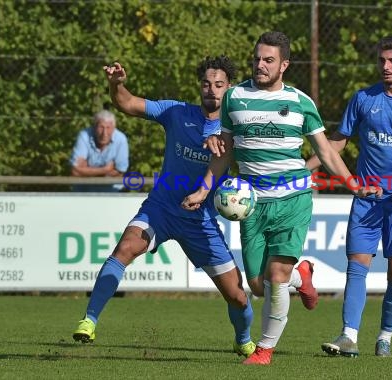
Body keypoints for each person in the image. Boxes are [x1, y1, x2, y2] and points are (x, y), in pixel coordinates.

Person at [182, 31, 376, 365]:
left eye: (268, 60)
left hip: (293, 199)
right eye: (257, 58)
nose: (260, 65)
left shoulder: (300, 102)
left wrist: (352, 183)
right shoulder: (234, 97)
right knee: (258, 286)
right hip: (251, 204)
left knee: (275, 278)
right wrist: (203, 189)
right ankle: (303, 275)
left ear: (284, 64)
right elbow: (224, 153)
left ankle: (264, 350)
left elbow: (326, 152)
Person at [72, 55, 257, 359]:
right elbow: (127, 102)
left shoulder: (234, 130)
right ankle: (89, 320)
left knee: (237, 296)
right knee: (125, 249)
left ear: (230, 88)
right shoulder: (176, 112)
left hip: (201, 221)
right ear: (200, 86)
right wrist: (116, 83)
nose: (211, 89)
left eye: (219, 85)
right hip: (161, 208)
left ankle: (243, 338)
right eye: (207, 84)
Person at [308, 35, 392, 358]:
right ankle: (348, 336)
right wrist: (303, 168)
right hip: (367, 197)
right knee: (357, 266)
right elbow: (337, 142)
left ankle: (385, 336)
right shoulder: (363, 99)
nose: (386, 66)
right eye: (382, 60)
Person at [70, 109, 129, 192]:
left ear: (114, 128)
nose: (104, 133)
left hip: (111, 193)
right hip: (83, 193)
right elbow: (75, 172)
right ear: (94, 127)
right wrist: (105, 170)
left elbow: (119, 173)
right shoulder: (84, 136)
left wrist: (86, 170)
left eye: (108, 128)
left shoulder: (121, 139)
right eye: (101, 127)